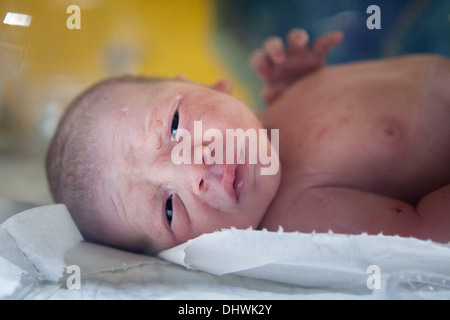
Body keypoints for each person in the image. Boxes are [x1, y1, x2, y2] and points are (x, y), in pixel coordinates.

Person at [46, 29, 450, 253]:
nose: (193, 172)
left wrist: (306, 82)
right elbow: (429, 235)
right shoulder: (300, 216)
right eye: (169, 210)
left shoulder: (274, 106)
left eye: (173, 124)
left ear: (209, 85)